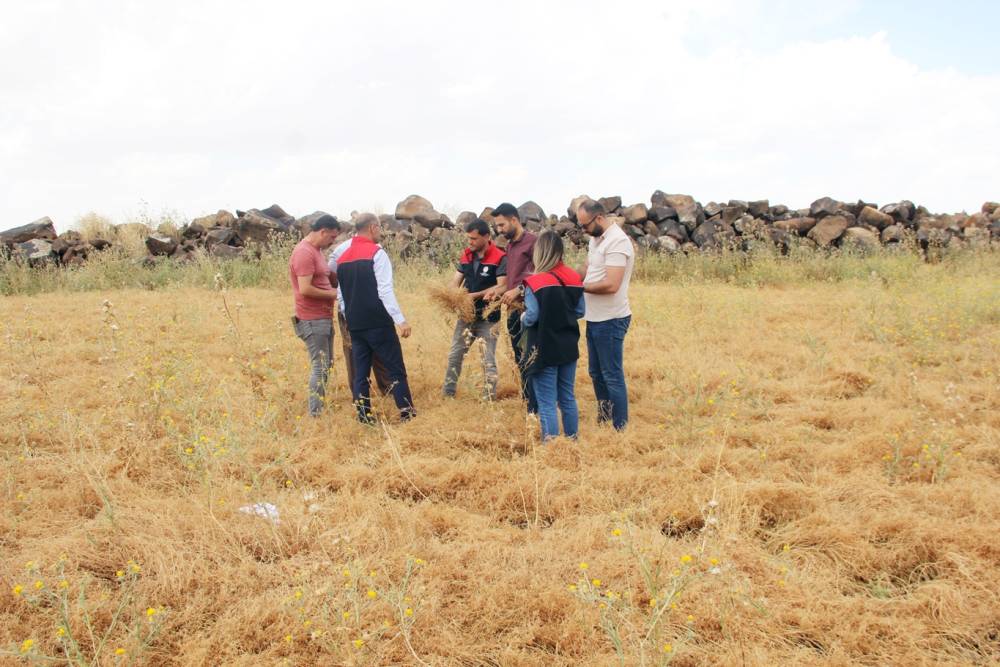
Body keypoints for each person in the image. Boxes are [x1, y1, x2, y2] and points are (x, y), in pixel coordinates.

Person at [329, 213, 416, 424]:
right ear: (373, 228)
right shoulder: (377, 254)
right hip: (378, 322)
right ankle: (406, 412)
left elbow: (340, 292)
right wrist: (400, 320)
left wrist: (347, 313)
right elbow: (385, 291)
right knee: (395, 368)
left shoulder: (342, 257)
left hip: (355, 323)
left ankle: (363, 416)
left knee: (361, 373)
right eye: (380, 229)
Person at [520, 231, 585, 441]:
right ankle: (572, 441)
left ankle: (552, 446)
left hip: (544, 347)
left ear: (540, 252)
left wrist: (522, 318)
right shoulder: (574, 277)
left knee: (546, 401)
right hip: (568, 345)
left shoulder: (535, 281)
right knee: (567, 397)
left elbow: (532, 316)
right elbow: (580, 311)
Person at [577, 199, 635, 430]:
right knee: (596, 373)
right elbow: (587, 268)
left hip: (611, 319)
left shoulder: (617, 242)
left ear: (599, 218)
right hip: (595, 316)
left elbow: (612, 285)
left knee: (611, 374)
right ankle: (604, 419)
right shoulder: (596, 240)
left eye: (585, 225)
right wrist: (568, 278)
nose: (583, 230)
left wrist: (578, 288)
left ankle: (619, 428)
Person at [443, 218, 508, 399]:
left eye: (473, 239)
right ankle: (448, 394)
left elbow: (502, 286)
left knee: (488, 360)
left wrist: (474, 295)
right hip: (466, 316)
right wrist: (450, 294)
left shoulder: (500, 257)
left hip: (489, 317)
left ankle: (489, 398)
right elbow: (456, 281)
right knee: (455, 354)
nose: (470, 242)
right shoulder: (466, 255)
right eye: (468, 238)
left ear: (486, 237)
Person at [288, 214, 342, 417]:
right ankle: (315, 413)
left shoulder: (316, 250)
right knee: (320, 365)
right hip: (312, 318)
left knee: (326, 363)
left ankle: (318, 406)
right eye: (332, 238)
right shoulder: (304, 253)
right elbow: (305, 289)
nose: (332, 242)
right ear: (323, 232)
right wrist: (333, 294)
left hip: (322, 316)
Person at [489, 202, 538, 413]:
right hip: (513, 311)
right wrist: (498, 291)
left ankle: (536, 407)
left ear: (514, 220)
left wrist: (518, 289)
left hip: (530, 310)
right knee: (520, 359)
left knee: (531, 358)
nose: (499, 230)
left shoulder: (534, 243)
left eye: (501, 225)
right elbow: (512, 278)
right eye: (497, 226)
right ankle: (528, 402)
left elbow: (540, 274)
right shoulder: (510, 246)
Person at [329, 241, 393, 398]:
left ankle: (370, 391)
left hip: (358, 306)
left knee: (365, 348)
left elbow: (331, 275)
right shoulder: (371, 250)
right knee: (357, 350)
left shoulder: (345, 249)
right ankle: (367, 392)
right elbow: (330, 273)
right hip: (360, 307)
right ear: (372, 228)